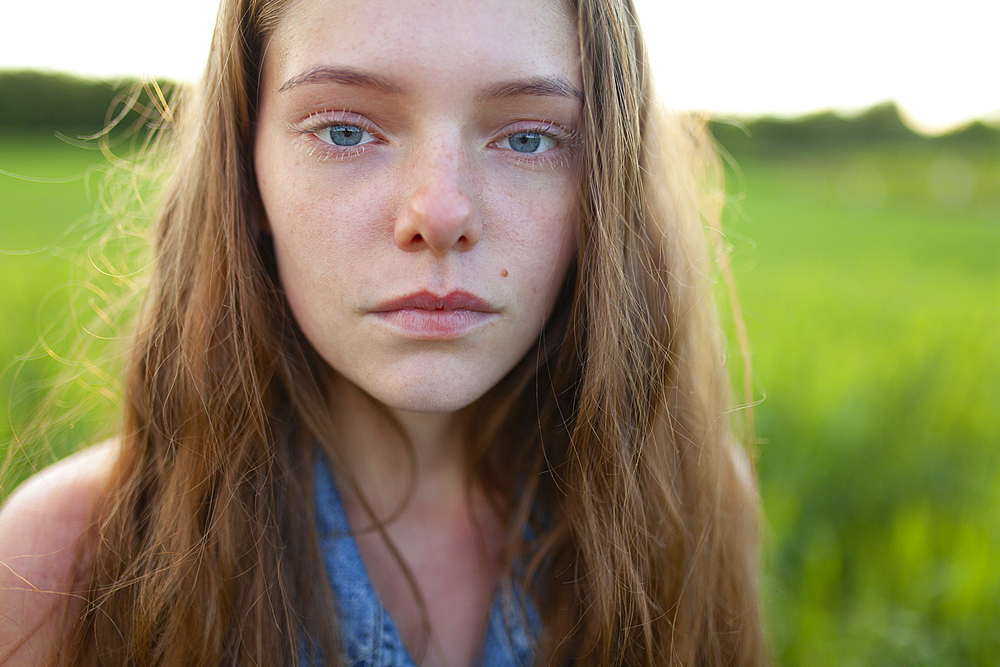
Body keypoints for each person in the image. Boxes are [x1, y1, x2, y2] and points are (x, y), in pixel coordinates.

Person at [0, 0, 767, 665]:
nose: (439, 213)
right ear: (245, 168)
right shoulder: (62, 561)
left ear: (606, 179)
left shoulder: (692, 506)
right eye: (343, 131)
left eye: (528, 138)